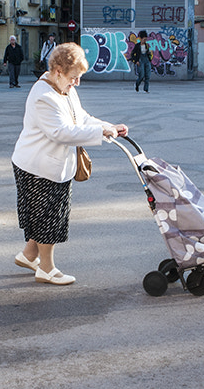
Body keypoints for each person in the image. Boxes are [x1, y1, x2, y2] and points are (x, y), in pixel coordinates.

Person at [10, 43, 129, 285]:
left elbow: (81, 117)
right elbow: (61, 132)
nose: (77, 83)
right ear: (58, 71)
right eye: (74, 77)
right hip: (38, 167)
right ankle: (46, 268)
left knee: (44, 215)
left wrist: (109, 127)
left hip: (50, 165)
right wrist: (101, 132)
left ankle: (29, 255)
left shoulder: (64, 89)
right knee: (47, 218)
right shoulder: (44, 96)